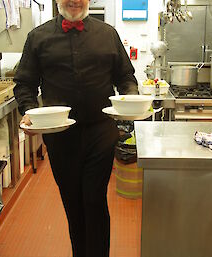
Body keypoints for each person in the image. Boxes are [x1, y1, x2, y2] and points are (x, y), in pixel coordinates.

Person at [13, 0, 138, 256]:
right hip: (60, 136)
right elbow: (24, 83)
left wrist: (131, 100)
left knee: (93, 199)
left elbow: (125, 77)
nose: (74, 0)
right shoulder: (38, 38)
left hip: (101, 132)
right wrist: (29, 112)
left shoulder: (108, 34)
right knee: (72, 202)